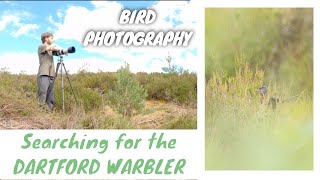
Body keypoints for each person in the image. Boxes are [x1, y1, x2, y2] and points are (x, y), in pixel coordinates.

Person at [37, 32, 63, 112]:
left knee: (50, 97)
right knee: (42, 95)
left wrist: (63, 50)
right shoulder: (41, 47)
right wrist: (55, 46)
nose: (52, 40)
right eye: (51, 38)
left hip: (51, 75)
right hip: (43, 74)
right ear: (46, 38)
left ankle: (49, 113)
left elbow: (58, 50)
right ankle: (39, 113)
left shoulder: (51, 50)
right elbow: (51, 47)